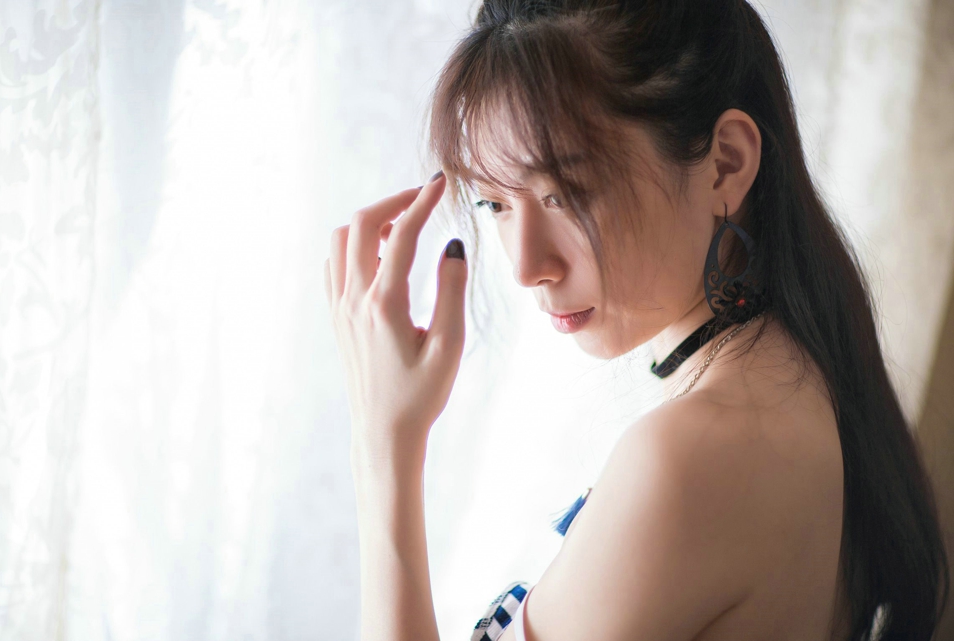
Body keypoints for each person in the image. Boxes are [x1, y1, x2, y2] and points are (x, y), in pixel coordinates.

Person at [323, 1, 949, 640]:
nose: (526, 266)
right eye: (495, 203)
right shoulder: (791, 369)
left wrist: (384, 445)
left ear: (726, 164)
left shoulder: (696, 454)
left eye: (564, 194)